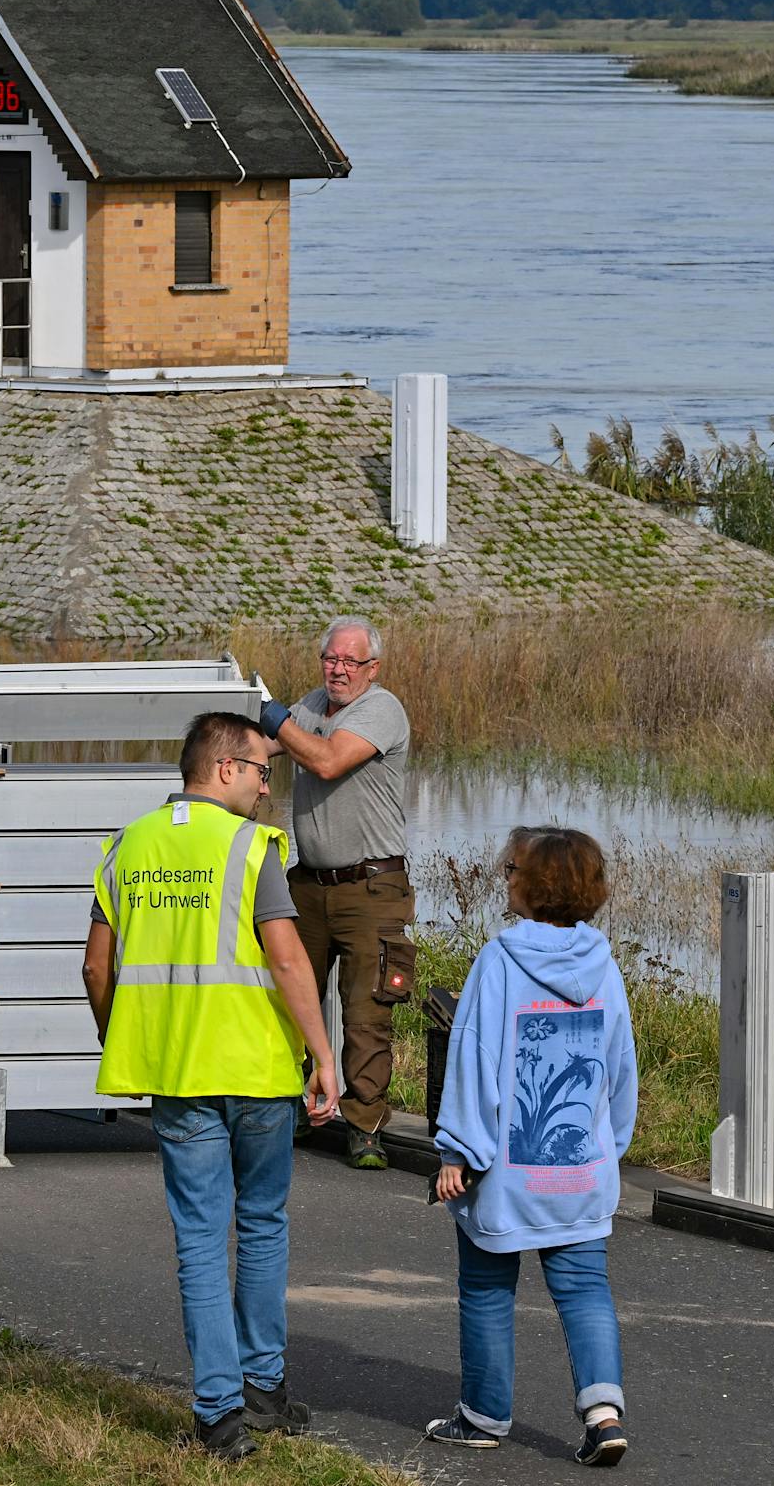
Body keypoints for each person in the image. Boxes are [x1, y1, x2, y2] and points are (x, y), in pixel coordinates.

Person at [83, 710, 340, 1463]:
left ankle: (219, 1417)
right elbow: (289, 963)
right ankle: (263, 1389)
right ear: (224, 767)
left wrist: (122, 1037)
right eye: (263, 771)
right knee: (261, 1224)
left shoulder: (126, 846)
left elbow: (98, 969)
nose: (267, 789)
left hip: (176, 1076)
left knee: (200, 1238)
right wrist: (323, 1056)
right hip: (257, 1072)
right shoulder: (248, 847)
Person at [425, 826, 637, 1469]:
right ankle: (603, 1417)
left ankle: (483, 1416)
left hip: (506, 1172)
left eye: (511, 868)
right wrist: (608, 1146)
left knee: (488, 1286)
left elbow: (474, 1061)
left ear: (531, 883)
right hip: (580, 1165)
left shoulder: (500, 960)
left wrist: (458, 1151)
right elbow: (619, 1068)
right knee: (583, 1289)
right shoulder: (604, 963)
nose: (505, 876)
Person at [260, 615, 413, 1170]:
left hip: (371, 886)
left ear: (372, 668)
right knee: (286, 995)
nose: (339, 670)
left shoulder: (380, 709)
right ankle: (291, 1108)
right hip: (309, 882)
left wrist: (275, 718)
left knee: (366, 1010)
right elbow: (265, 745)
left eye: (351, 661)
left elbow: (325, 761)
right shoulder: (310, 705)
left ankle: (365, 1126)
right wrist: (233, 723)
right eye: (331, 659)